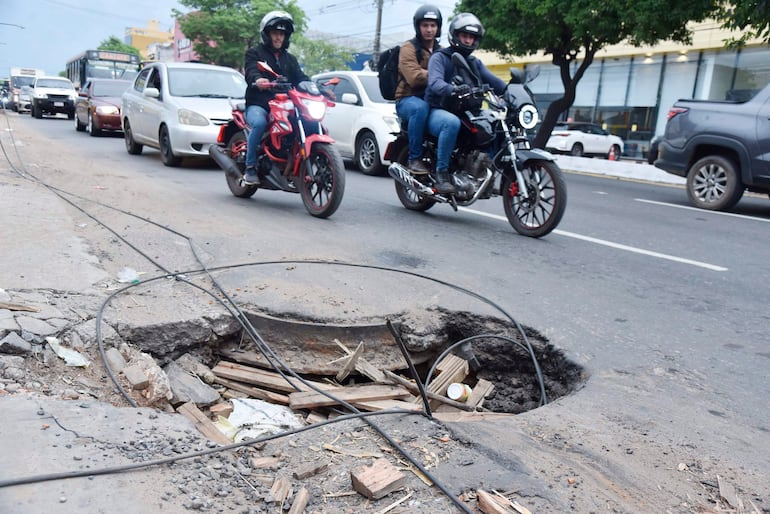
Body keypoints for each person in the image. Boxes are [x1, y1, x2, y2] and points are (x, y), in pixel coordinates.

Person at [424, 12, 506, 194]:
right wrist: (452, 89)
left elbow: (495, 82)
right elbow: (435, 82)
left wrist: (512, 90)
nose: (468, 41)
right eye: (465, 36)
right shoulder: (440, 57)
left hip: (465, 111)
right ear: (455, 35)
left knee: (495, 124)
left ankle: (484, 173)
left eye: (471, 37)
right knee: (450, 123)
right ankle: (441, 173)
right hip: (438, 110)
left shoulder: (474, 62)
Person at [243, 10, 310, 186]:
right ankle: (249, 167)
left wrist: (316, 88)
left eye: (282, 34)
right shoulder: (254, 53)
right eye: (275, 33)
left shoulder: (290, 59)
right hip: (259, 103)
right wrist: (258, 80)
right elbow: (251, 71)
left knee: (305, 122)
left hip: (285, 105)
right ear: (267, 34)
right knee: (259, 123)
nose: (278, 37)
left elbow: (301, 77)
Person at [395, 4, 443, 176]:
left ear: (438, 27)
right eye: (425, 25)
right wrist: (437, 75)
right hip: (407, 99)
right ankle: (414, 158)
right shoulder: (408, 48)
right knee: (419, 108)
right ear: (418, 26)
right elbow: (414, 78)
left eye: (433, 25)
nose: (429, 29)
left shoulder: (442, 51)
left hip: (431, 98)